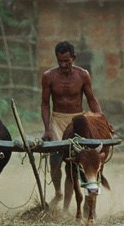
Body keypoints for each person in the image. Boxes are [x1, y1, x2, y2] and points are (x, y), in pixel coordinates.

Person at [41, 40, 102, 200]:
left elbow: (91, 99)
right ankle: (58, 193)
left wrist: (101, 119)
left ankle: (70, 199)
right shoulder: (48, 77)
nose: (63, 64)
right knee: (55, 159)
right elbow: (45, 103)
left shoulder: (83, 75)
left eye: (66, 61)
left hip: (78, 120)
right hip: (57, 120)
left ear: (73, 58)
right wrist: (47, 129)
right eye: (60, 61)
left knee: (75, 161)